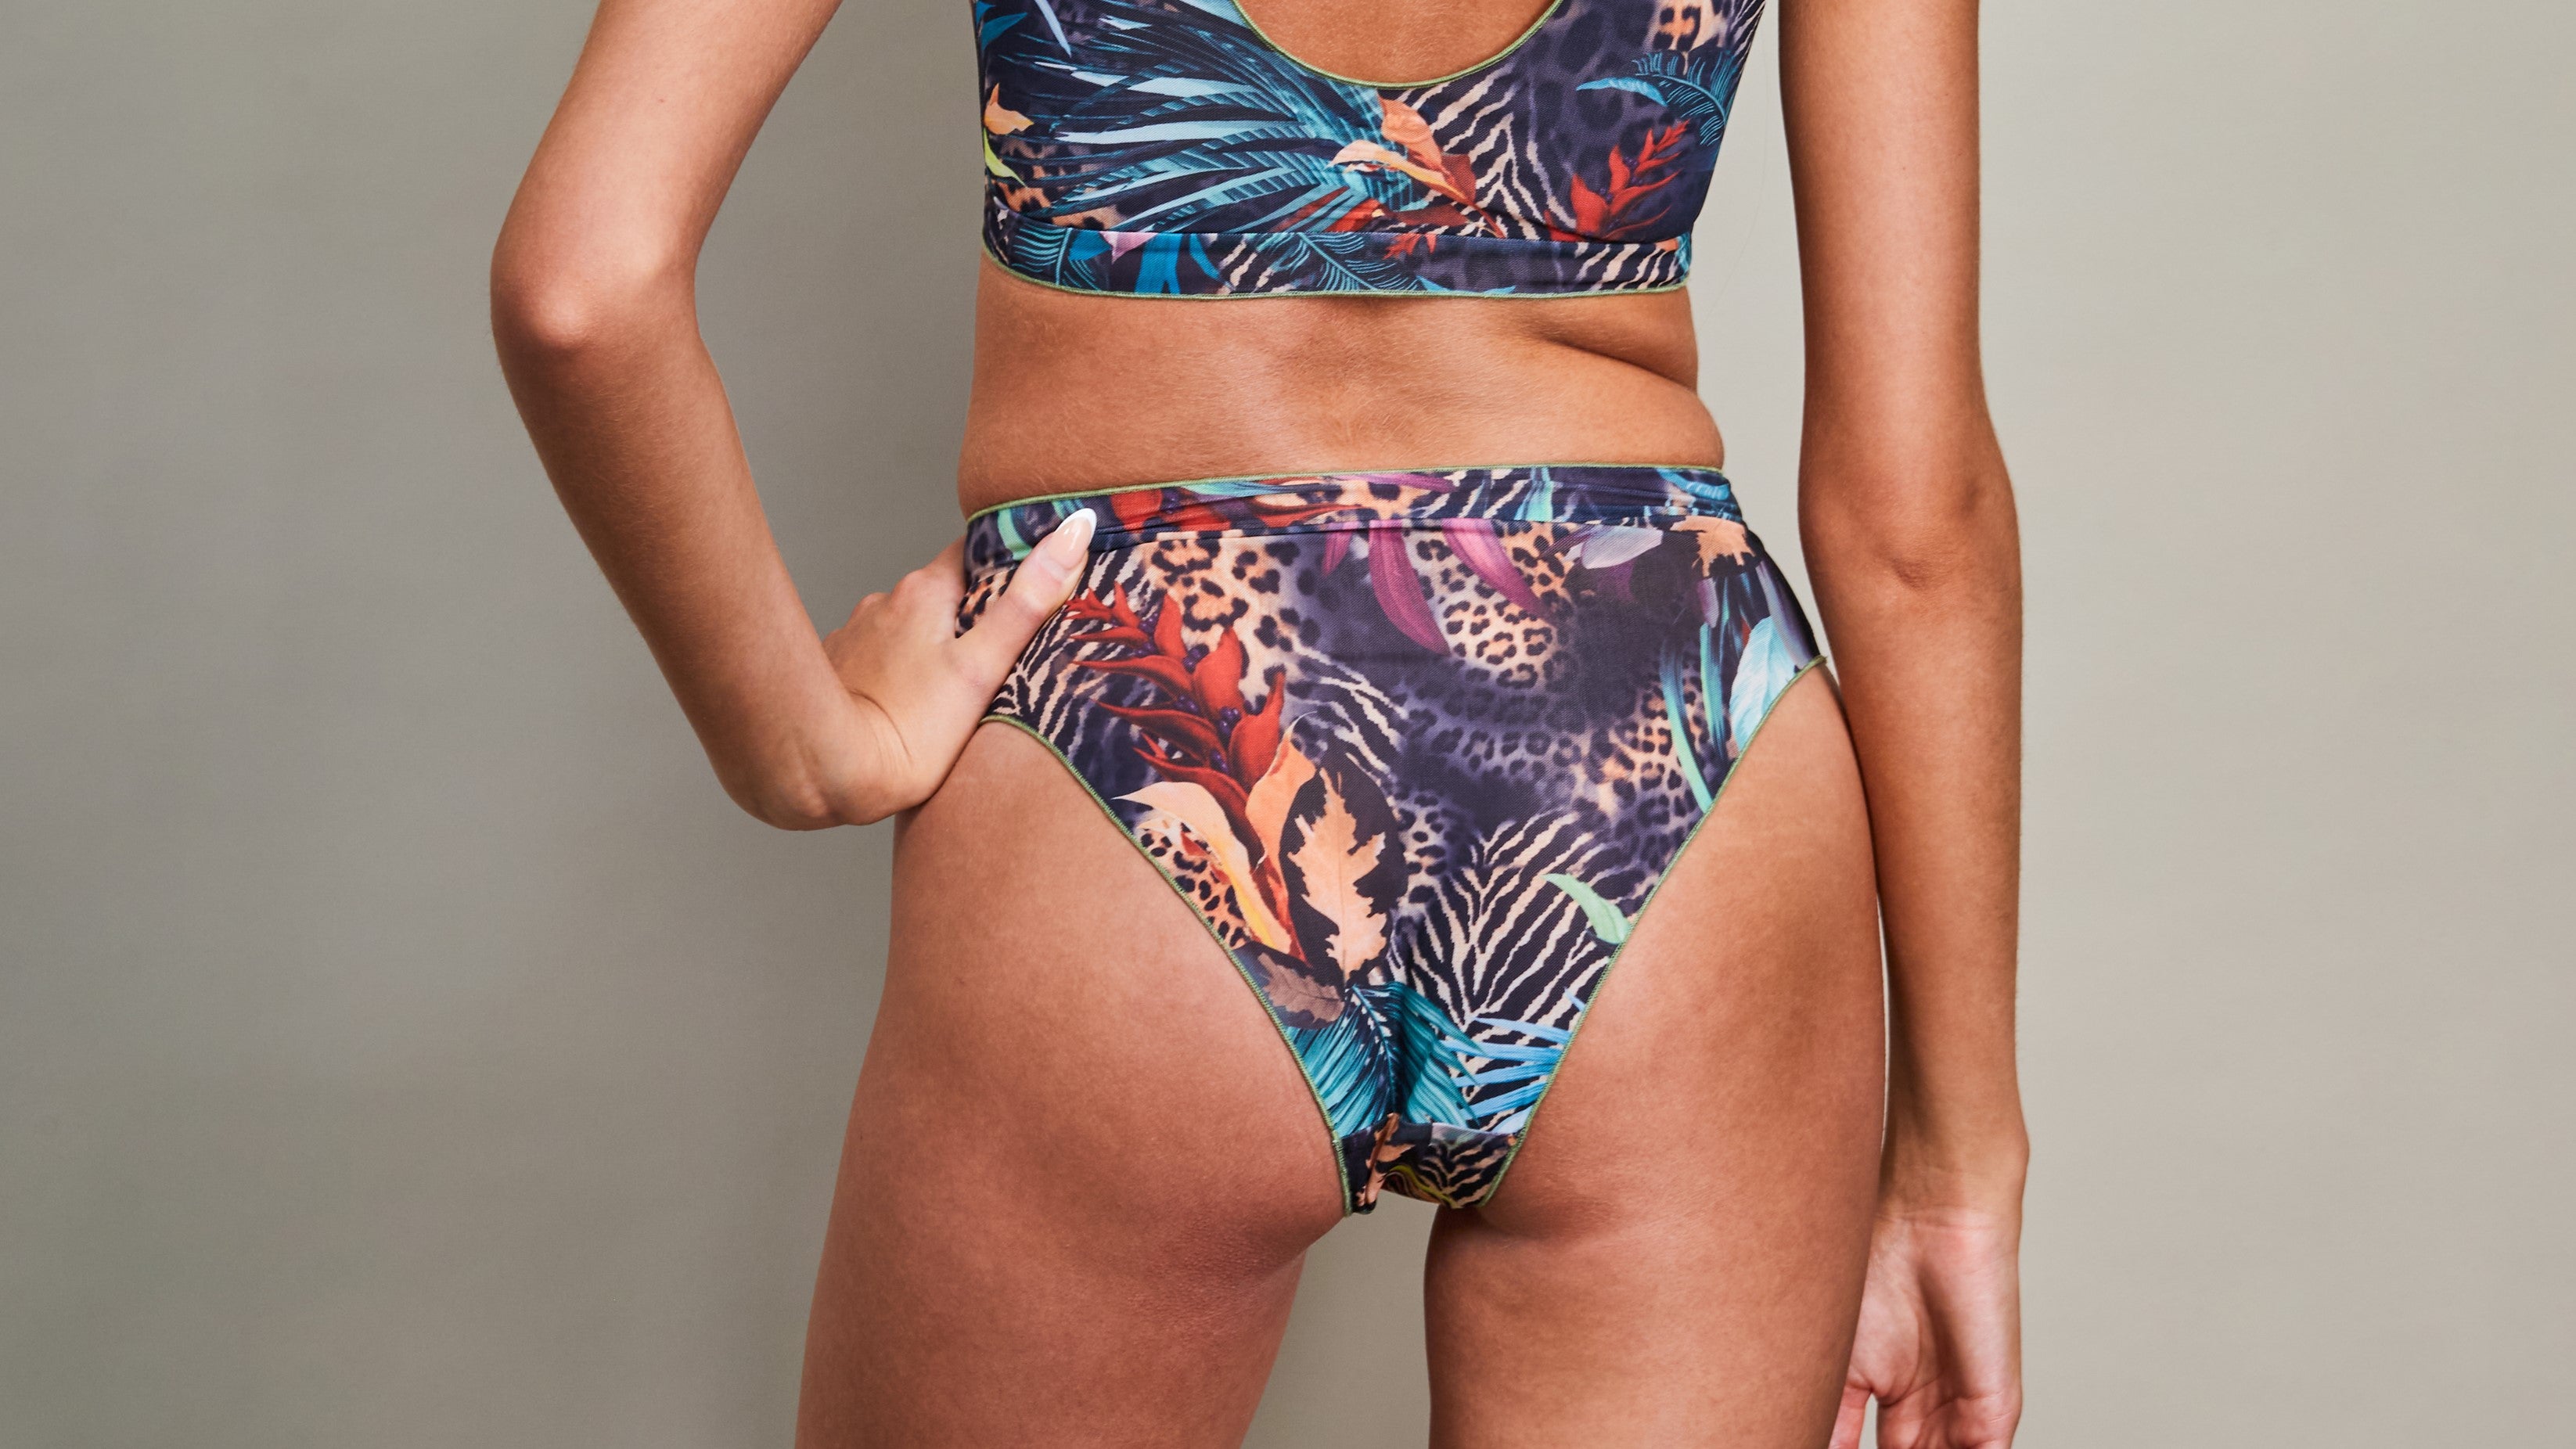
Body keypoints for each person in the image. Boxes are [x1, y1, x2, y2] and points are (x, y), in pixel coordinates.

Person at [491, 0, 2026, 1439]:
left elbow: (583, 292)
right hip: (1657, 732)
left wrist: (799, 745)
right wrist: (1957, 1162)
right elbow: (1911, 522)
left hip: (1156, 706)